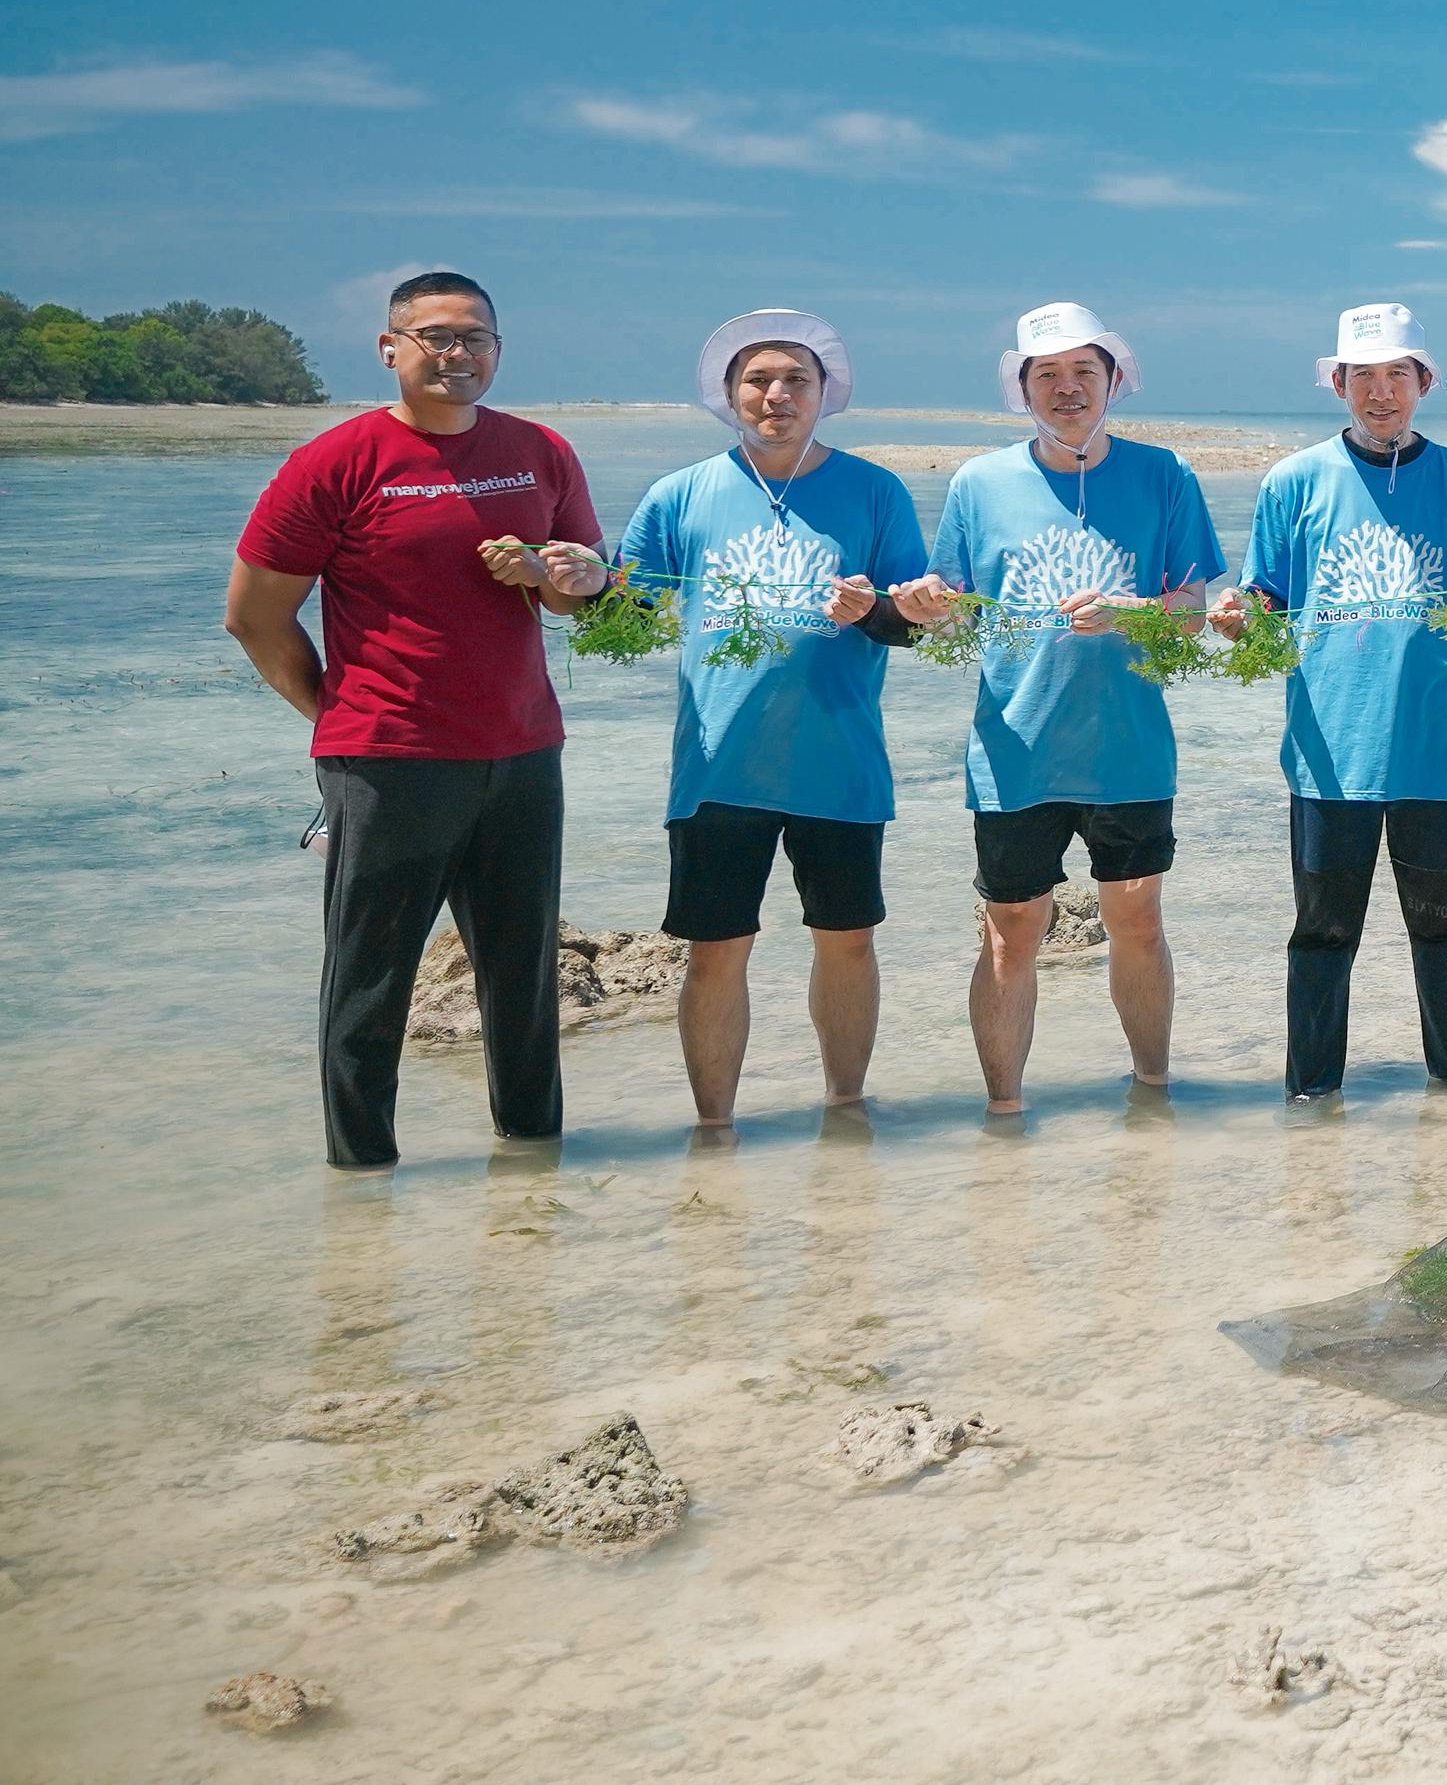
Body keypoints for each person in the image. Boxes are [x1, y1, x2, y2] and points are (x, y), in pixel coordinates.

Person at [227, 271, 609, 1171]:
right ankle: (361, 1183)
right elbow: (252, 614)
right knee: (370, 981)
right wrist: (340, 718)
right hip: (388, 762)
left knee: (524, 975)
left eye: (475, 338)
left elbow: (583, 599)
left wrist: (567, 579)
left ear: (498, 352)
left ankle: (531, 1160)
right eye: (435, 336)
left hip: (523, 753)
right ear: (390, 347)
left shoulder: (541, 451)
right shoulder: (338, 460)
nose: (457, 353)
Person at [889, 302, 1218, 1115]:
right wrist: (927, 602)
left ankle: (1153, 1090)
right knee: (1008, 930)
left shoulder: (1164, 474)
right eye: (1048, 374)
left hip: (1131, 745)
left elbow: (1194, 608)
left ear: (1114, 381)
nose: (1067, 388)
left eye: (1083, 372)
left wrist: (1132, 613)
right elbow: (956, 606)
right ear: (1023, 388)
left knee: (1137, 920)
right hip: (1014, 745)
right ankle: (1002, 1113)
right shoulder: (978, 481)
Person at [609, 311, 928, 1128]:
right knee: (715, 952)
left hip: (841, 762)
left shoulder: (874, 490)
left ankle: (846, 1109)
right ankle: (713, 1126)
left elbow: (909, 619)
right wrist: (572, 576)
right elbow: (626, 618)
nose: (777, 395)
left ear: (826, 395)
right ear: (729, 394)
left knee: (848, 941)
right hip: (719, 767)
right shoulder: (680, 494)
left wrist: (875, 610)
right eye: (758, 380)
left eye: (797, 380)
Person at [1217, 303, 1447, 1100]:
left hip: (1438, 747)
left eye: (1398, 375)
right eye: (1364, 376)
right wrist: (1238, 615)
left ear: (1423, 382)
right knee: (1322, 932)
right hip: (1329, 752)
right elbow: (1264, 597)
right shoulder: (1294, 480)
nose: (1381, 392)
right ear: (1339, 385)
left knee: (1443, 921)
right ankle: (1312, 1096)